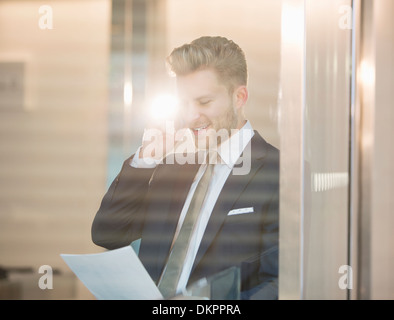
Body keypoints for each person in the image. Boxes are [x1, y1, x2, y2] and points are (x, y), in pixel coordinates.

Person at [91, 36, 279, 300]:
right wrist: (145, 159)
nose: (190, 116)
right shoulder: (173, 169)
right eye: (184, 103)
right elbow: (108, 234)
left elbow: (280, 283)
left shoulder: (280, 174)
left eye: (203, 103)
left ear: (239, 97)